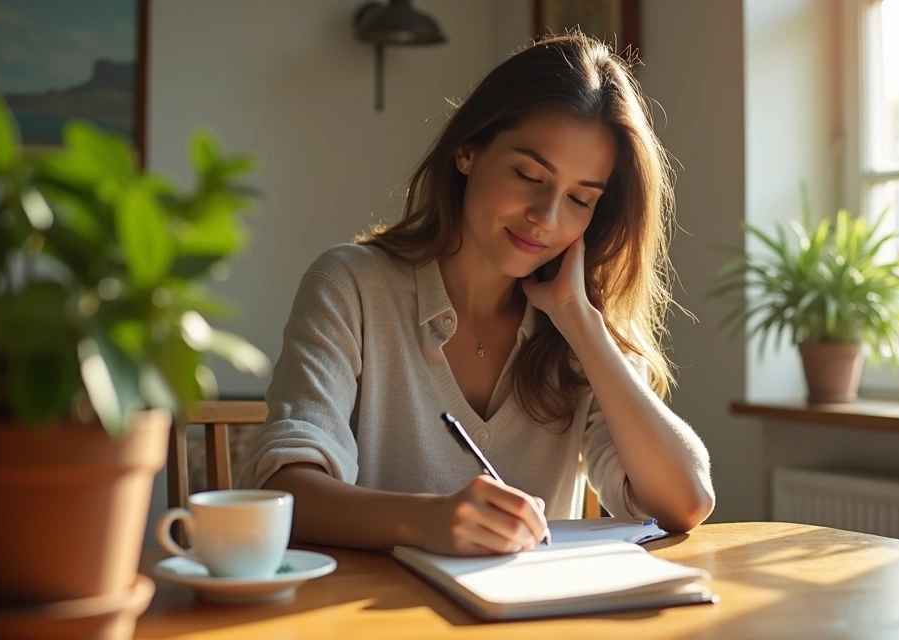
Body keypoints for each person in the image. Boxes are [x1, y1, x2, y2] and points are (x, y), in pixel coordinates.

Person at [238, 33, 714, 557]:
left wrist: (580, 323)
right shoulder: (350, 286)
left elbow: (685, 502)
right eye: (528, 175)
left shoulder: (579, 329)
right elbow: (285, 490)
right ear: (468, 151)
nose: (547, 218)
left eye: (580, 199)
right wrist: (425, 519)